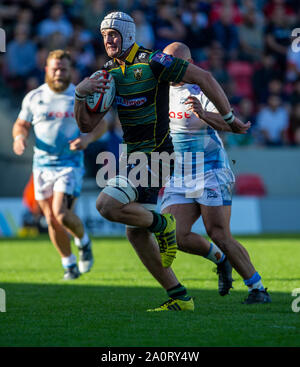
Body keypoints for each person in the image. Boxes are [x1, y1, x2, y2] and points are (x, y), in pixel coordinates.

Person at [74, 11, 250, 311]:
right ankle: (180, 297)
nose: (108, 40)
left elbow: (203, 77)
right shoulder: (107, 72)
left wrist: (229, 117)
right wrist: (80, 95)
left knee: (106, 205)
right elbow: (86, 126)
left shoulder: (153, 61)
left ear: (128, 34)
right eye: (104, 35)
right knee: (135, 234)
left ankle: (163, 224)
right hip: (135, 157)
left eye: (113, 33)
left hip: (157, 154)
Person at [161, 42, 271, 304]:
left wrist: (204, 113)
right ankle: (220, 260)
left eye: (173, 62)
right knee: (173, 235)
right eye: (164, 61)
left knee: (219, 233)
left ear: (187, 64)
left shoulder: (202, 89)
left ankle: (257, 288)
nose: (166, 67)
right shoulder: (159, 90)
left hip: (210, 169)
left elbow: (234, 126)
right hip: (180, 173)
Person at [12, 50, 106, 280]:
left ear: (70, 71)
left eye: (63, 69)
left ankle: (83, 242)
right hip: (42, 164)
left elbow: (101, 125)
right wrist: (19, 137)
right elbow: (21, 124)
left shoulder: (79, 95)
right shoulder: (34, 97)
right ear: (46, 69)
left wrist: (86, 139)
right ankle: (69, 264)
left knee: (61, 214)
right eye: (54, 68)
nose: (58, 73)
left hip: (69, 163)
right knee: (51, 219)